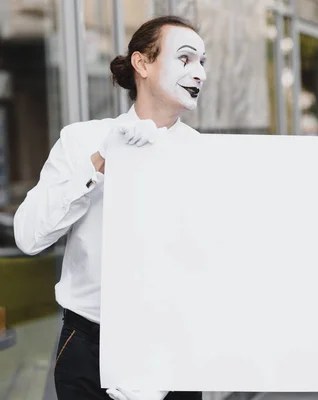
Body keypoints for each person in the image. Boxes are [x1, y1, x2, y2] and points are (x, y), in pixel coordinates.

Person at [13, 15, 206, 400]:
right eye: (186, 59)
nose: (199, 73)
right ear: (142, 63)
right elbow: (28, 237)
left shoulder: (203, 155)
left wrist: (167, 364)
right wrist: (99, 162)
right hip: (88, 344)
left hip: (172, 343)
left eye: (203, 61)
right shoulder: (82, 139)